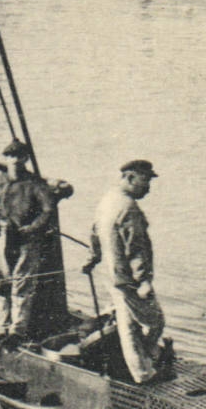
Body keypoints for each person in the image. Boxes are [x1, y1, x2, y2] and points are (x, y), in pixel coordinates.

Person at [85, 159, 167, 383]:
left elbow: (94, 232)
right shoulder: (129, 208)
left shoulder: (107, 201)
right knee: (155, 321)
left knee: (127, 324)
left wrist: (93, 258)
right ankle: (146, 365)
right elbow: (136, 250)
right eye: (145, 180)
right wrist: (144, 281)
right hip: (129, 279)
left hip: (111, 275)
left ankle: (141, 369)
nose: (148, 187)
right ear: (130, 178)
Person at [0, 140, 55, 348]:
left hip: (27, 241)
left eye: (19, 157)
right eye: (11, 156)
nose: (14, 161)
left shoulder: (35, 185)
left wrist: (30, 229)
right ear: (6, 159)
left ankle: (17, 331)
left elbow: (47, 210)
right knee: (2, 284)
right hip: (4, 236)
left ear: (25, 159)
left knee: (22, 285)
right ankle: (2, 327)